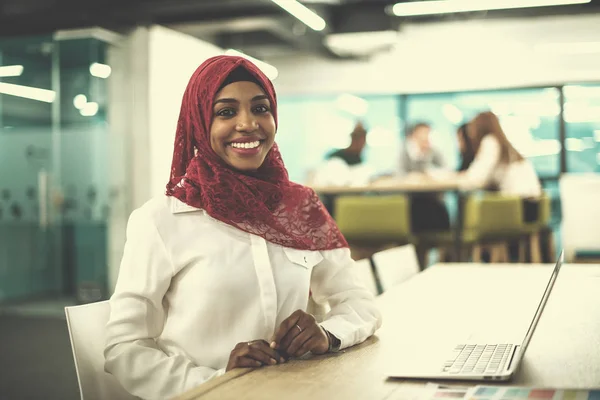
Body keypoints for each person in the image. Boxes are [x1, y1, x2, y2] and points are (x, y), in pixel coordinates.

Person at [104, 56, 382, 400]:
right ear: (199, 121)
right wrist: (218, 379)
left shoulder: (301, 208)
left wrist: (328, 333)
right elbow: (124, 348)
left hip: (295, 391)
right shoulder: (161, 220)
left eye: (260, 108)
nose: (248, 123)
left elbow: (359, 303)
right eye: (226, 112)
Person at [460, 111, 542, 222]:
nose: (470, 133)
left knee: (473, 211)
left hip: (517, 207)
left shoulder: (490, 142)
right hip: (532, 205)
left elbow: (475, 179)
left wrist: (458, 178)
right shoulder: (503, 143)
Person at [398, 122, 450, 235]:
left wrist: (430, 171)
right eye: (423, 133)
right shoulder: (405, 152)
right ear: (413, 136)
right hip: (412, 200)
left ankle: (443, 244)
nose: (426, 137)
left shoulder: (433, 151)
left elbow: (446, 170)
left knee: (438, 209)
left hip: (432, 198)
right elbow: (399, 174)